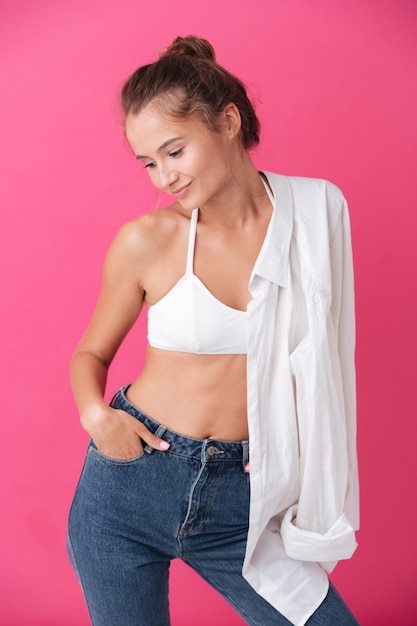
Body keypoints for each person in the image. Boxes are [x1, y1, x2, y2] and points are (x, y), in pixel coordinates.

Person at [67, 35, 360, 626]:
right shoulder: (146, 241)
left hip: (244, 495)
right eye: (149, 162)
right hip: (129, 485)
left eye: (175, 151)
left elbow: (332, 356)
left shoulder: (317, 213)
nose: (164, 177)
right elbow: (90, 353)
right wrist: (97, 418)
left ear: (227, 122)